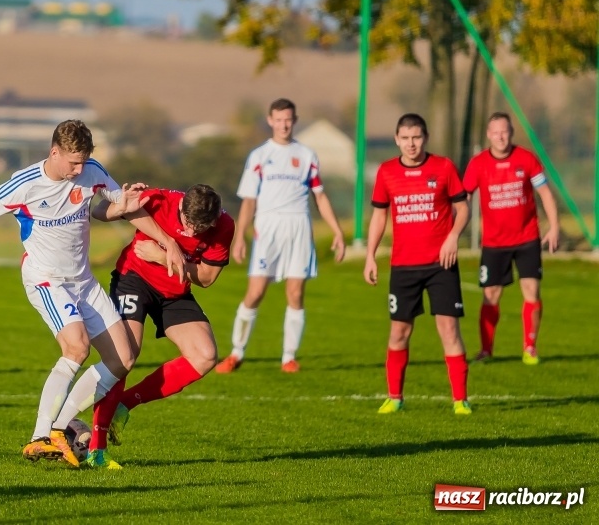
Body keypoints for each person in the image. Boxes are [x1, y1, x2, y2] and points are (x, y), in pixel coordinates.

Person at [0, 120, 185, 469]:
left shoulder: (91, 170)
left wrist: (166, 240)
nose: (79, 169)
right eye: (73, 162)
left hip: (83, 281)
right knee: (77, 347)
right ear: (54, 152)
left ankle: (60, 428)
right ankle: (41, 436)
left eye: (83, 161)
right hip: (45, 278)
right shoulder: (24, 184)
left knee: (124, 358)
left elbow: (120, 207)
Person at [69, 184, 234, 460]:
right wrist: (125, 205)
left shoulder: (224, 225)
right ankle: (97, 450)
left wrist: (161, 255)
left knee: (205, 356)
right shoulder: (161, 200)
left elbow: (205, 278)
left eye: (201, 229)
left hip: (175, 291)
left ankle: (124, 403)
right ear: (181, 207)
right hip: (134, 280)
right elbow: (100, 210)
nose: (192, 233)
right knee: (125, 356)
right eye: (189, 224)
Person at [216, 98, 346, 374]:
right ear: (270, 120)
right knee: (255, 293)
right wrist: (239, 238)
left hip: (299, 228)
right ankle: (236, 352)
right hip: (268, 229)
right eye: (279, 119)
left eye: (288, 119)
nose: (284, 124)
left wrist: (337, 231)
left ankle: (289, 356)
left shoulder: (307, 155)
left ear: (294, 120)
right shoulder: (260, 156)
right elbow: (249, 201)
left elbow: (320, 197)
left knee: (296, 293)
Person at [363, 113, 472, 415]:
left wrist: (452, 237)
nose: (411, 144)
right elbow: (379, 216)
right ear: (397, 139)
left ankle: (461, 400)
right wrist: (371, 255)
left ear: (425, 138)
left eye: (417, 137)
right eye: (405, 138)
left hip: (441, 264)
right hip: (403, 266)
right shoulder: (386, 172)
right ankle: (395, 397)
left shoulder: (444, 167)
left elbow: (463, 210)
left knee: (449, 330)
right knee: (399, 332)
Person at [463, 112, 559, 365]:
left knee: (531, 289)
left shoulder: (526, 159)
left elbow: (545, 194)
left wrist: (555, 226)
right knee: (491, 294)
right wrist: (454, 227)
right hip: (494, 243)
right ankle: (486, 350)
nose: (500, 137)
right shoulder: (478, 164)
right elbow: (465, 198)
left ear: (511, 132)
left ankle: (530, 347)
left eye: (504, 131)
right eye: (495, 132)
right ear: (488, 135)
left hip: (527, 238)